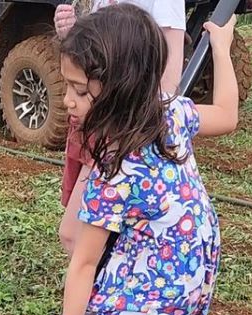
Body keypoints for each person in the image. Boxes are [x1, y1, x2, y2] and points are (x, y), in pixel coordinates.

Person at [39, 4, 238, 315]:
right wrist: (221, 48)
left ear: (122, 86)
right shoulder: (168, 111)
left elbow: (83, 262)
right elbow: (228, 116)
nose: (69, 100)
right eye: (67, 85)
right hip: (186, 261)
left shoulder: (113, 170)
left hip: (161, 275)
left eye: (82, 91)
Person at [54, 0, 187, 256]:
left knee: (79, 236)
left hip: (122, 130)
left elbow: (168, 79)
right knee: (76, 234)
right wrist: (73, 35)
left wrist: (132, 132)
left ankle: (97, 289)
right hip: (101, 123)